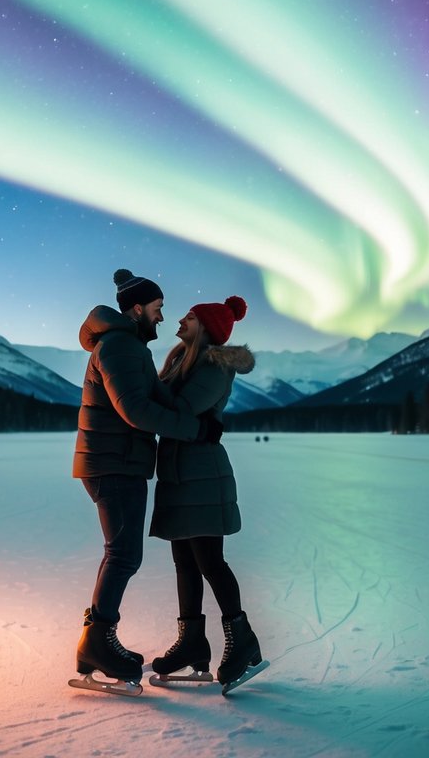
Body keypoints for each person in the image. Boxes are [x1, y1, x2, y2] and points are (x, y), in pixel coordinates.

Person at [72, 269, 223, 687]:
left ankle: (99, 641)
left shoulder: (130, 345)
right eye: (157, 309)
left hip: (120, 462)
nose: (161, 317)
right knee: (122, 555)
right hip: (113, 465)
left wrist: (195, 400)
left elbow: (160, 397)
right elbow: (135, 410)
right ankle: (97, 643)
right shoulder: (119, 345)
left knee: (121, 554)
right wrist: (195, 430)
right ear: (137, 308)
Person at [148, 295, 266, 689]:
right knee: (185, 561)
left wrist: (141, 383)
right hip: (180, 472)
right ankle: (192, 644)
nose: (181, 319)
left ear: (207, 327)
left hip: (203, 473)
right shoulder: (183, 359)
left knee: (209, 561)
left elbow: (181, 406)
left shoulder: (213, 364)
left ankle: (242, 639)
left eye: (190, 316)